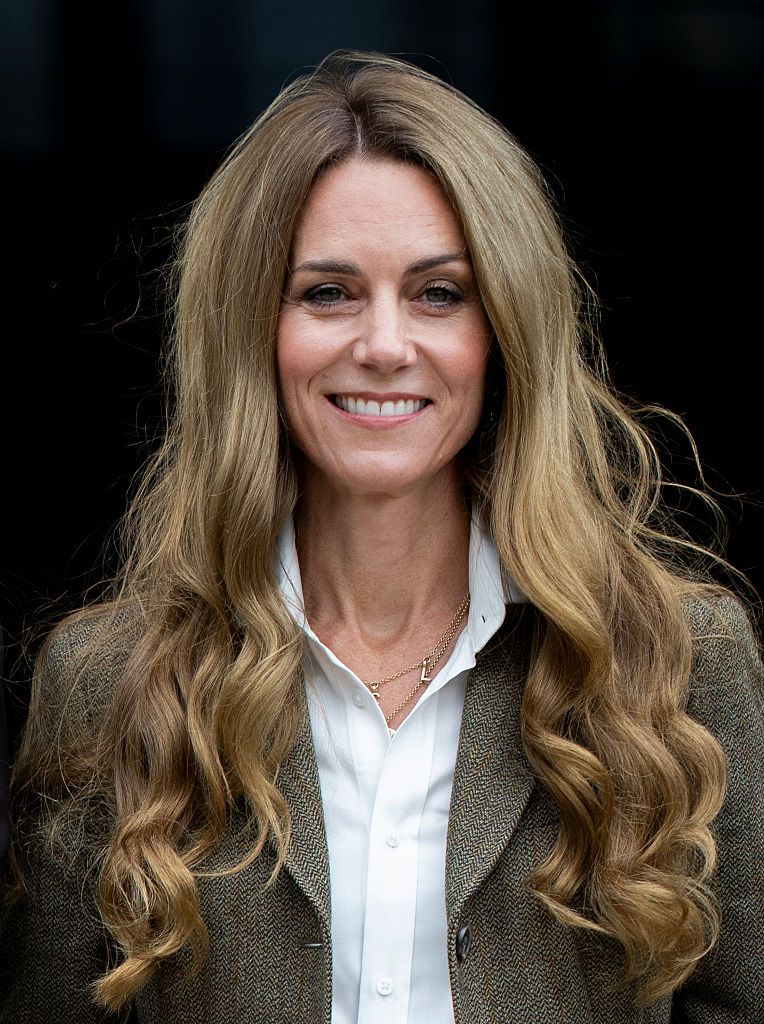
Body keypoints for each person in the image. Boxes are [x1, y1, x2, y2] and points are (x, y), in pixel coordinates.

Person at [1, 51, 762, 1024]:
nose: (386, 345)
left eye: (439, 293)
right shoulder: (111, 680)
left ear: (503, 330)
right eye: (328, 292)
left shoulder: (676, 657)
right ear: (251, 328)